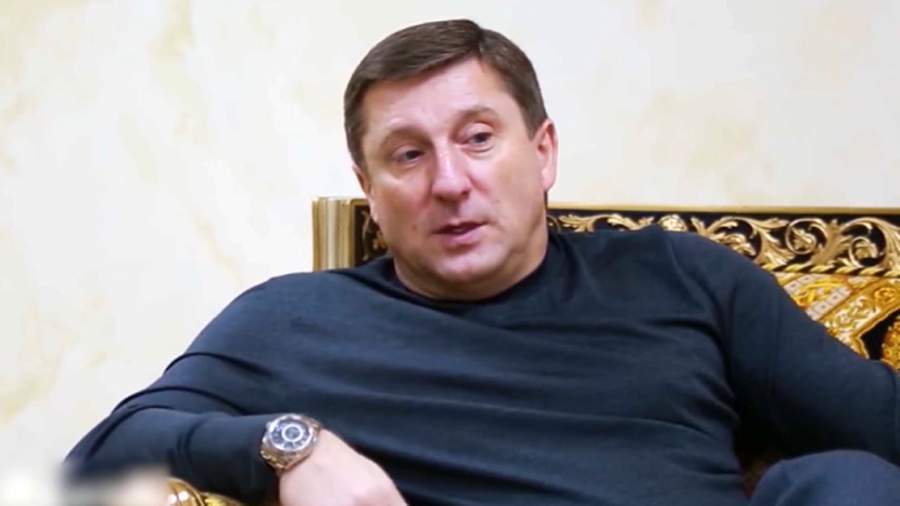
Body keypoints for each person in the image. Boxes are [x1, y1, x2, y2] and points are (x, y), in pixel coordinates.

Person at [67, 19, 900, 506]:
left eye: (476, 138)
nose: (449, 182)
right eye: (407, 155)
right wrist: (289, 446)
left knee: (850, 480)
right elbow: (100, 457)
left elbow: (878, 428)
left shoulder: (682, 277)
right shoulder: (294, 319)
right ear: (369, 188)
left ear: (542, 152)